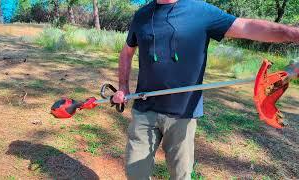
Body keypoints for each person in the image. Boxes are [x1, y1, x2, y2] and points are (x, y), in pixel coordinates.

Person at [112, 0, 299, 179]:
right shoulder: (142, 15)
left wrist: (293, 34)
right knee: (135, 172)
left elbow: (248, 26)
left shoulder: (201, 11)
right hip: (145, 109)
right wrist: (122, 87)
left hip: (182, 115)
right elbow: (127, 52)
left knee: (181, 175)